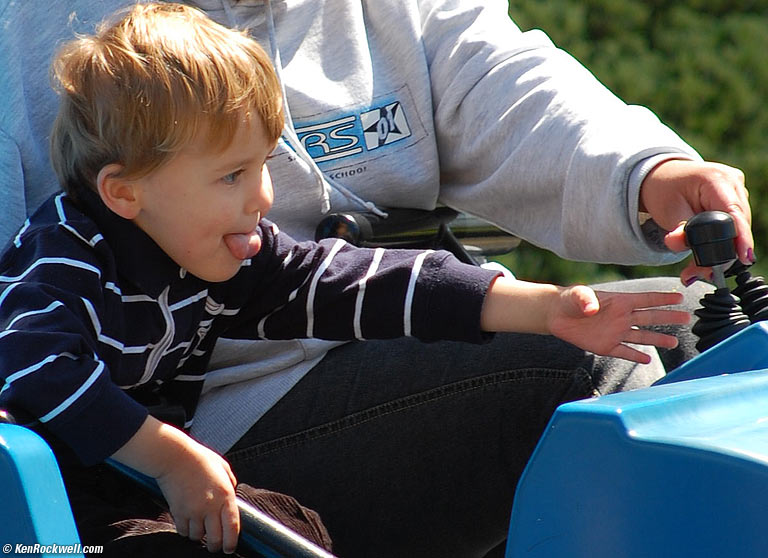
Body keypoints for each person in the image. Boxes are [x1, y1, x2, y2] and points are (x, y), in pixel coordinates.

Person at [0, 1, 751, 557]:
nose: (265, 200)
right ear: (122, 191)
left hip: (194, 447)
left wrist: (557, 294)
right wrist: (165, 455)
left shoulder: (240, 259)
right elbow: (31, 363)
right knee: (598, 369)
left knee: (694, 332)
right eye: (235, 174)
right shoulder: (67, 254)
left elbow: (355, 279)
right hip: (122, 462)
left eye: (263, 170)